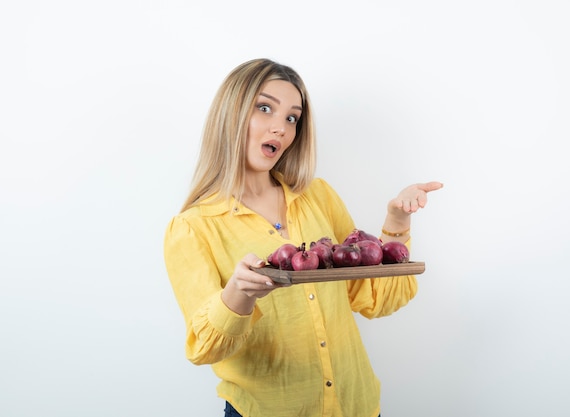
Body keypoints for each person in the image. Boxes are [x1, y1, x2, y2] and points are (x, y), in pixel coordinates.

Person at [163, 58, 443, 417]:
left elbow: (374, 300)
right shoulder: (192, 228)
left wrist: (397, 222)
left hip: (355, 406)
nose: (280, 128)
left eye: (292, 118)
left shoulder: (319, 197)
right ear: (229, 115)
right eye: (265, 108)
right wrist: (238, 296)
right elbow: (204, 348)